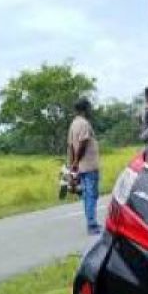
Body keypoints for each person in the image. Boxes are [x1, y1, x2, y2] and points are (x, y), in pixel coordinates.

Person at [67, 97, 101, 235]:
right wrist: (76, 161)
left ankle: (91, 222)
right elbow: (83, 142)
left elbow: (70, 145)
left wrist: (72, 165)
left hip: (81, 166)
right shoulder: (84, 124)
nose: (90, 110)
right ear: (85, 109)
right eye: (89, 107)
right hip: (88, 165)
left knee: (87, 195)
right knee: (91, 195)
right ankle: (92, 225)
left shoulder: (73, 124)